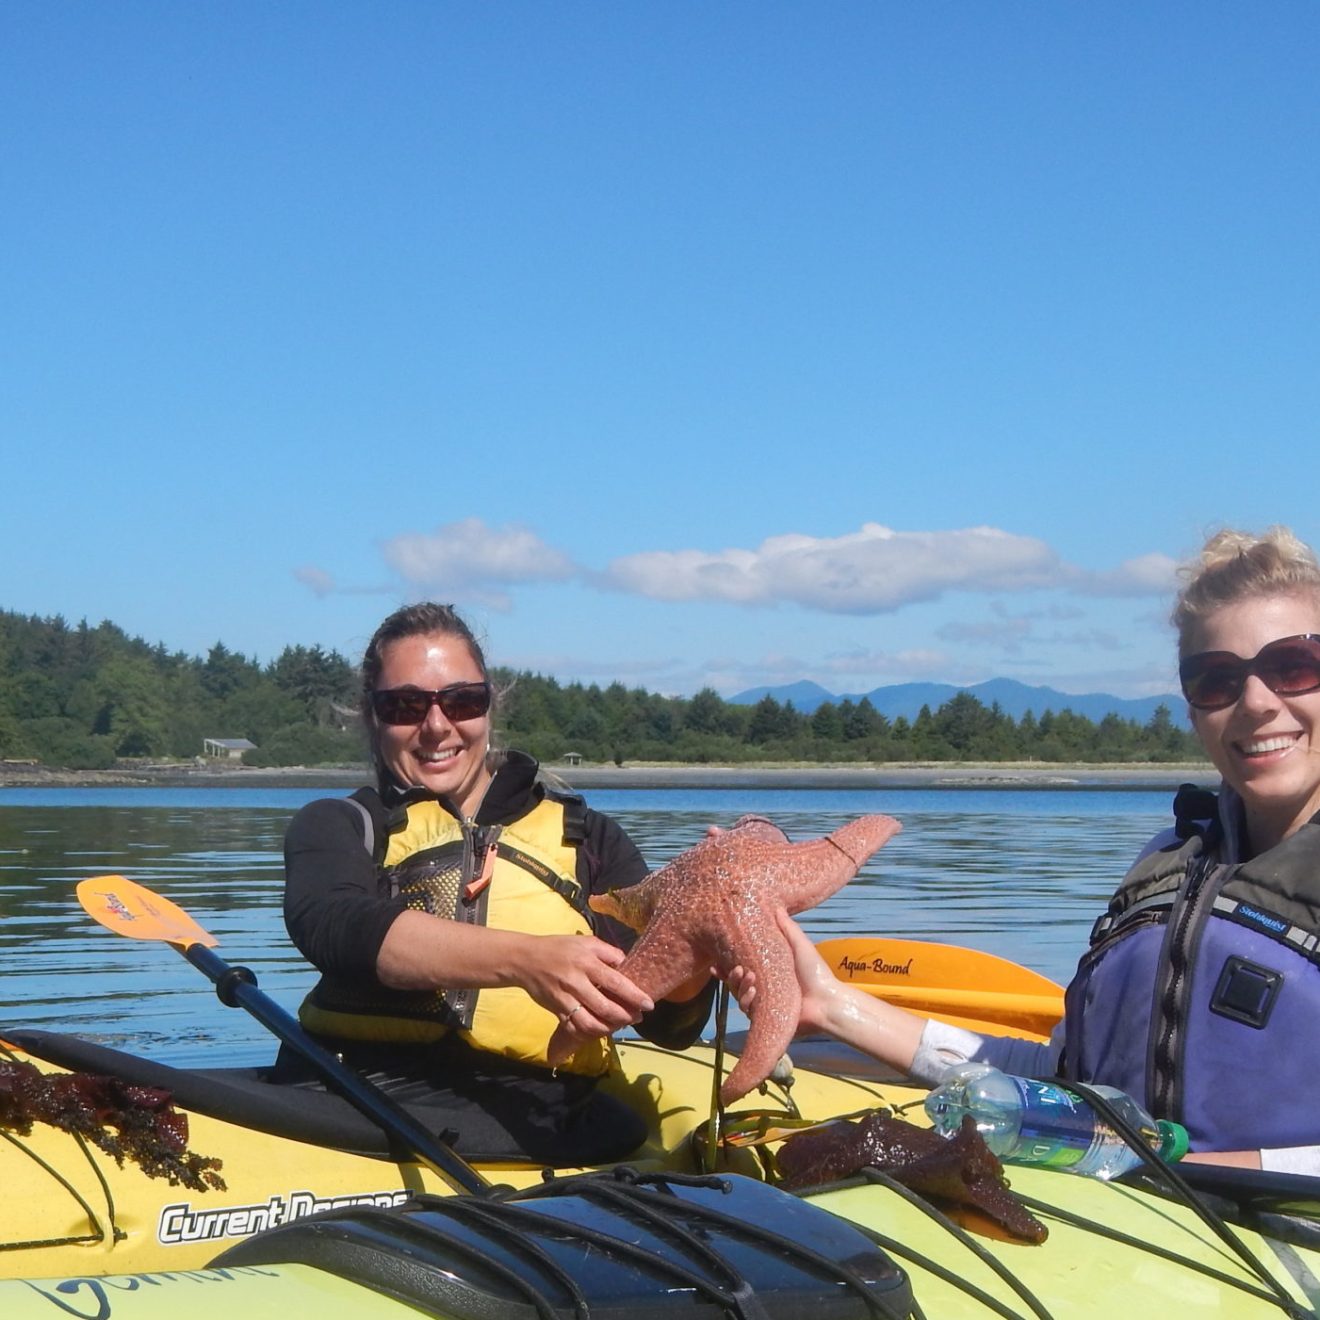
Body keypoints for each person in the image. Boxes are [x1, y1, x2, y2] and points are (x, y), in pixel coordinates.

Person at [732, 527, 1320, 1174]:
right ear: (1191, 710)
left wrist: (1183, 1174)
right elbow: (1061, 1080)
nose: (1258, 703)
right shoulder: (1167, 867)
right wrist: (830, 1004)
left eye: (1294, 667)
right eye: (1218, 679)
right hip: (1133, 1227)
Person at [281, 602, 714, 1164]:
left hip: (546, 1115)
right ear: (372, 716)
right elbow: (333, 923)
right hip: (355, 1099)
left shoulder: (589, 840)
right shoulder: (340, 823)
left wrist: (702, 932)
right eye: (406, 705)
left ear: (489, 705)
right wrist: (528, 961)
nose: (437, 725)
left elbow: (670, 1025)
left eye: (461, 700)